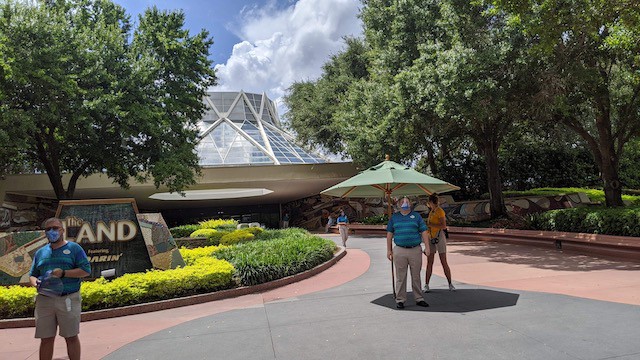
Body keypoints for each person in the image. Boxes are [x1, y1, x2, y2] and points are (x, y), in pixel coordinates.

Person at [29, 217, 91, 360]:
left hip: (68, 298)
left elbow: (86, 270)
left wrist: (64, 273)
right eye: (48, 229)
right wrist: (35, 282)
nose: (52, 231)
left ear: (62, 230)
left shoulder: (74, 248)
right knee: (46, 338)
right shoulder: (40, 253)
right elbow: (32, 275)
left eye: (55, 228)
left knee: (71, 336)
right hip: (45, 300)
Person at [386, 197, 430, 309]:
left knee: (416, 275)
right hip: (399, 249)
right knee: (401, 276)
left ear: (410, 203)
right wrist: (389, 250)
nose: (405, 203)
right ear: (398, 204)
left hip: (415, 249)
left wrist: (427, 247)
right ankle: (400, 299)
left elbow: (424, 231)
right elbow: (389, 234)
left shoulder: (416, 216)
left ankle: (419, 298)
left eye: (407, 201)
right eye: (402, 202)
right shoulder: (394, 217)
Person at [423, 193, 455, 292]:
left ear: (431, 202)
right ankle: (426, 284)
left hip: (439, 236)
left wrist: (431, 224)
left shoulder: (439, 211)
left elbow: (443, 226)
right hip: (431, 236)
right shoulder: (431, 212)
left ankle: (450, 283)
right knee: (430, 261)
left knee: (443, 260)